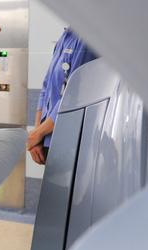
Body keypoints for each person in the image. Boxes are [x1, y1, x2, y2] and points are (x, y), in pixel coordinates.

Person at [27, 28, 98, 164]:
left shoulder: (86, 39)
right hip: (48, 136)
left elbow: (74, 94)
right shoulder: (66, 36)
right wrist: (37, 134)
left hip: (70, 138)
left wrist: (38, 134)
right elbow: (46, 87)